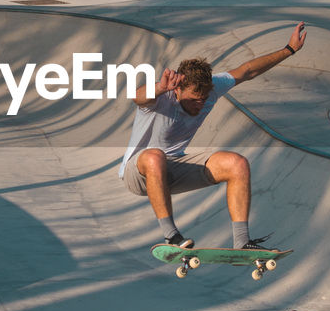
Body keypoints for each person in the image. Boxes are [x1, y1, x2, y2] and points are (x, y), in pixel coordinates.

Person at [119, 23, 307, 250]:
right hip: (138, 172)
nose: (200, 104)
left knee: (236, 163)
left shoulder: (213, 87)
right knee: (155, 156)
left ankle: (242, 242)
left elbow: (247, 70)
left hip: (176, 166)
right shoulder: (162, 96)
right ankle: (172, 236)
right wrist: (159, 87)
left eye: (204, 98)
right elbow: (136, 97)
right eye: (193, 99)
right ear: (177, 89)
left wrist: (289, 49)